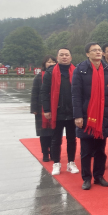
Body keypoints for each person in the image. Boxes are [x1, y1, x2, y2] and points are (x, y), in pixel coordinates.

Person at [72, 43, 108, 190]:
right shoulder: (80, 70)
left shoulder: (107, 69)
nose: (98, 52)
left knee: (100, 150)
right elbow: (76, 95)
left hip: (103, 114)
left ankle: (99, 176)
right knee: (86, 151)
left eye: (99, 50)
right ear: (87, 54)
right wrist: (78, 116)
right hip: (86, 115)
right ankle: (86, 178)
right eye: (94, 50)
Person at [41, 47, 79, 176]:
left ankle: (71, 162)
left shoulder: (76, 71)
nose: (64, 57)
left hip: (72, 111)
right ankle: (56, 163)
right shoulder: (50, 72)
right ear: (57, 58)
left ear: (71, 57)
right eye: (61, 55)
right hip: (57, 111)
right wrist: (47, 109)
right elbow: (44, 92)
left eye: (66, 55)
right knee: (56, 139)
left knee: (72, 139)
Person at [31, 55, 56, 162]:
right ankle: (45, 153)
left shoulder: (58, 76)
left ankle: (53, 153)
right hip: (41, 109)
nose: (51, 64)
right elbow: (34, 94)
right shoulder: (38, 77)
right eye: (48, 62)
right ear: (44, 64)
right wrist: (34, 109)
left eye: (53, 62)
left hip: (55, 108)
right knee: (44, 134)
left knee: (54, 133)